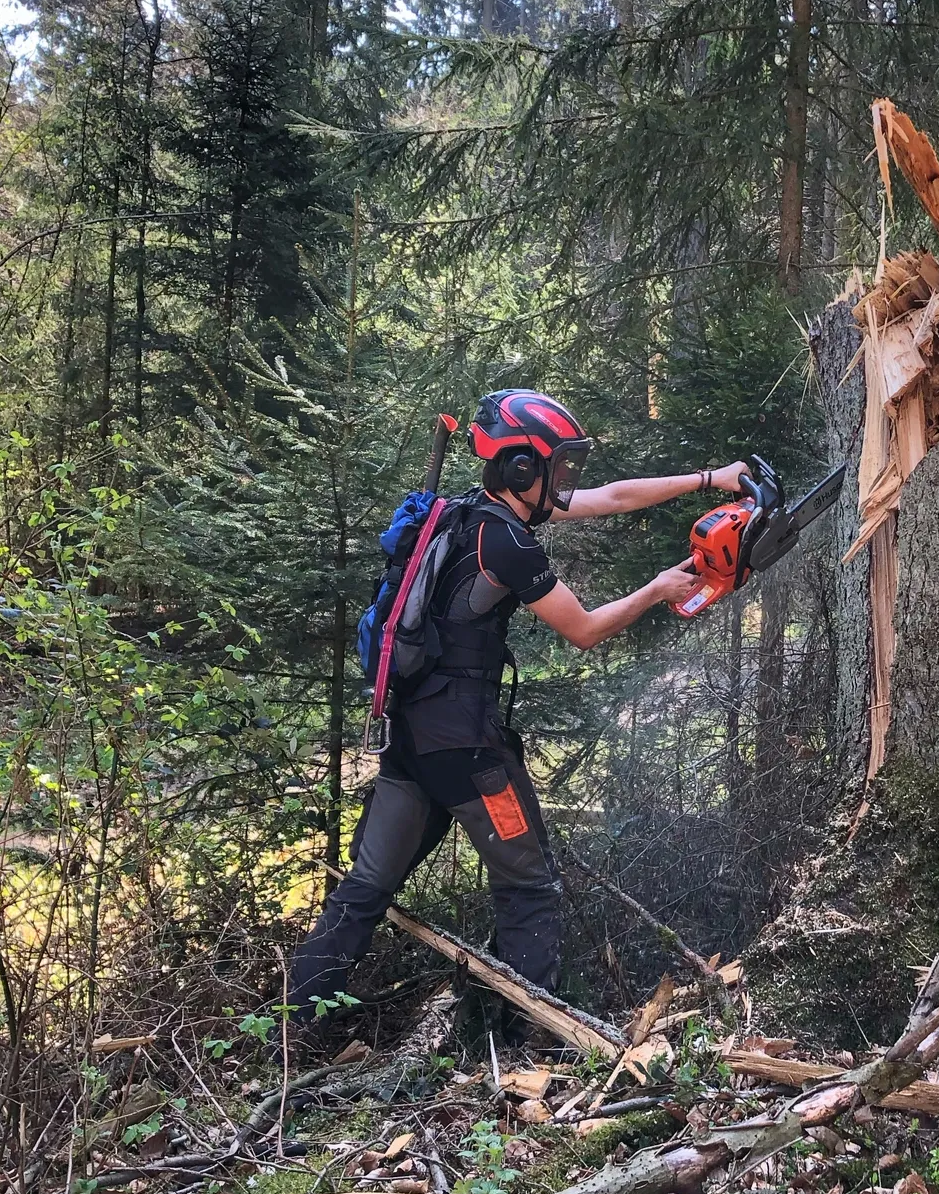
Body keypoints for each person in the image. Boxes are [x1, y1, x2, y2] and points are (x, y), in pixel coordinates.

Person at [286, 387, 745, 1051]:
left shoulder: (465, 516)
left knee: (363, 892)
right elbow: (582, 631)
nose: (567, 481)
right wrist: (656, 590)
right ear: (521, 470)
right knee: (530, 887)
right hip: (468, 754)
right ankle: (527, 1052)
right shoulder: (507, 543)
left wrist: (710, 479)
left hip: (410, 743)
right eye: (556, 468)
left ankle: (292, 1039)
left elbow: (612, 497)